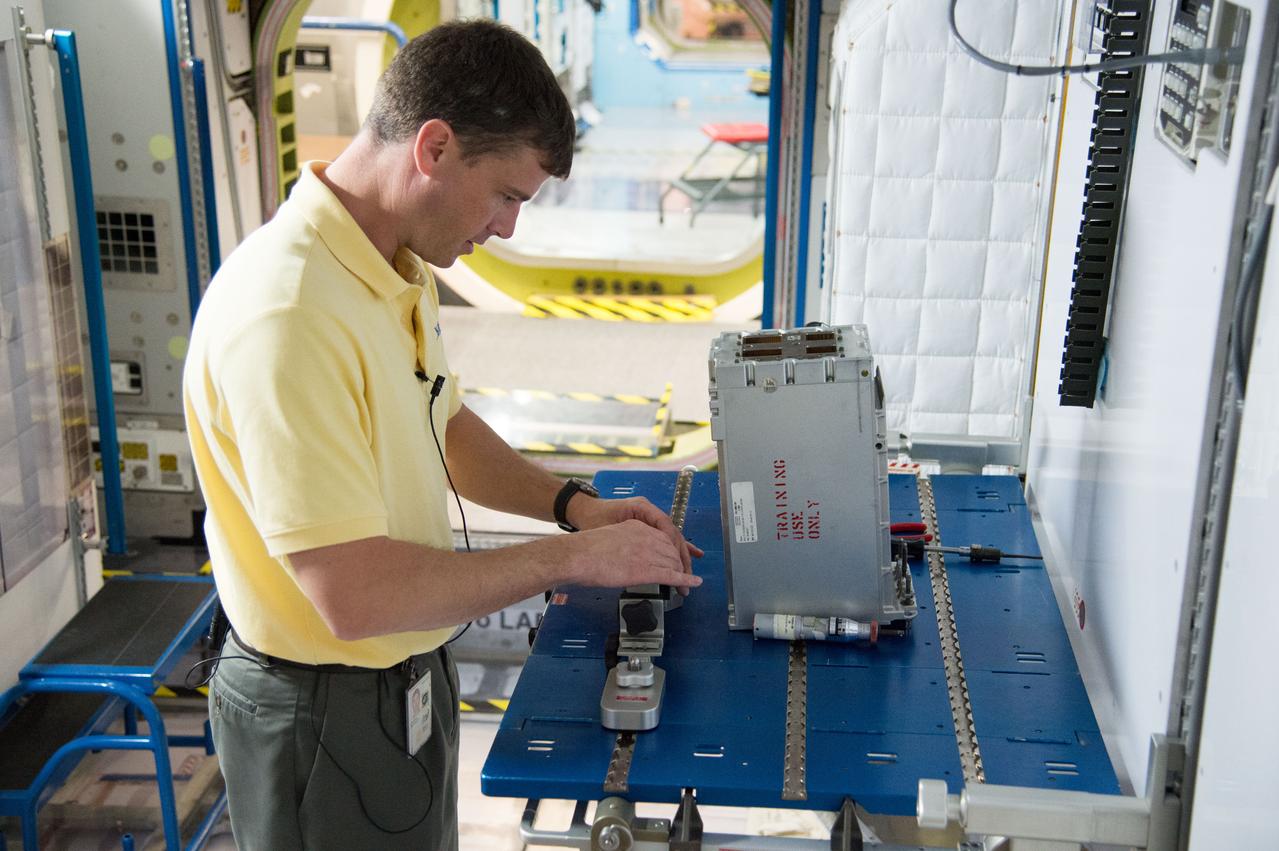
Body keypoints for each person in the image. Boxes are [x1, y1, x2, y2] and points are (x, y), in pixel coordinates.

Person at [183, 19, 702, 850]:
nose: (507, 229)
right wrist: (570, 561)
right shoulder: (288, 314)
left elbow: (444, 425)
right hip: (321, 709)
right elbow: (353, 595)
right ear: (433, 147)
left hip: (405, 674)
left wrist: (574, 508)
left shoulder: (395, 265)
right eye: (507, 196)